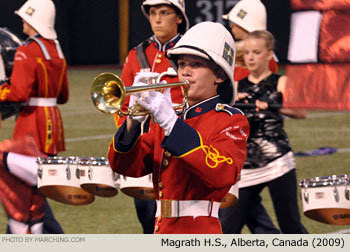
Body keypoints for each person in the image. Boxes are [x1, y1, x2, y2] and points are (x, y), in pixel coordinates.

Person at [108, 21, 249, 234]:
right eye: (182, 64)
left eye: (196, 65)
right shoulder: (169, 117)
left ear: (219, 76)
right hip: (161, 229)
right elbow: (126, 166)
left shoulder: (231, 120)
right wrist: (132, 122)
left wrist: (173, 125)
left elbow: (222, 173)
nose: (185, 72)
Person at [221, 30, 308, 234]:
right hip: (247, 167)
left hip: (278, 162)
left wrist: (272, 105)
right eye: (248, 52)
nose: (250, 57)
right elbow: (222, 118)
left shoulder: (281, 81)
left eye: (257, 52)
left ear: (269, 55)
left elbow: (300, 111)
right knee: (228, 228)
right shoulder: (236, 86)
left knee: (290, 225)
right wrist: (232, 104)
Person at [116, 0, 189, 234]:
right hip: (147, 151)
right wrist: (132, 138)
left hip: (179, 148)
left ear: (179, 17)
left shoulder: (191, 52)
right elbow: (124, 104)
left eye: (164, 13)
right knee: (148, 222)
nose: (157, 19)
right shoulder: (137, 54)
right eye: (153, 13)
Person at [0, 0, 68, 234]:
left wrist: (1, 89)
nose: (22, 21)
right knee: (36, 191)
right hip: (53, 124)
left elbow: (18, 92)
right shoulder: (57, 50)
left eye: (26, 18)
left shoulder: (27, 51)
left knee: (21, 186)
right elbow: (63, 95)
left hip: (31, 123)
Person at [220, 0, 281, 234]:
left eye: (234, 23)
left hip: (244, 139)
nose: (231, 28)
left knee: (233, 207)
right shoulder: (241, 53)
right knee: (244, 205)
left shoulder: (257, 60)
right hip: (236, 136)